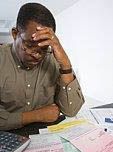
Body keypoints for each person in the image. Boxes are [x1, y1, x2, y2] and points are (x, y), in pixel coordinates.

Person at [0, 2, 84, 131]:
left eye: (44, 48)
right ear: (15, 34)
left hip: (46, 135)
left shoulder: (53, 59)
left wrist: (65, 64)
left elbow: (71, 111)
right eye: (29, 45)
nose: (37, 55)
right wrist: (35, 116)